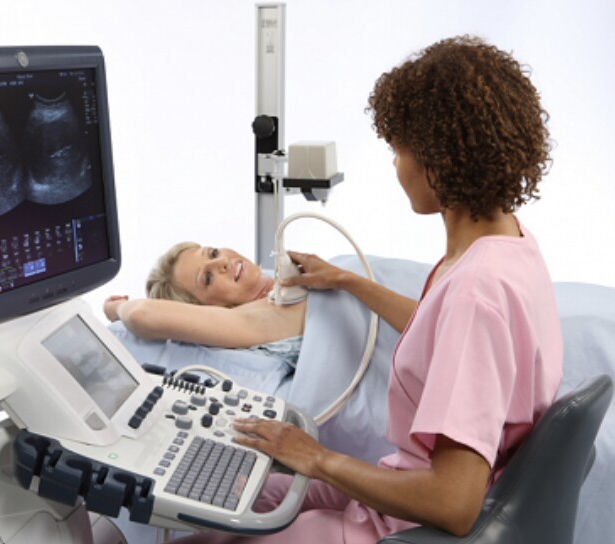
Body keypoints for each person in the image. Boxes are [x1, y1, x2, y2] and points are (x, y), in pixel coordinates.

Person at [167, 35, 564, 544]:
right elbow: (443, 329)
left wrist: (317, 458)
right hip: (401, 489)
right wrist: (347, 281)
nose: (395, 166)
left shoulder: (475, 292)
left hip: (408, 524)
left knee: (218, 530)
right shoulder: (510, 244)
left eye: (398, 150)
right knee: (235, 491)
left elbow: (453, 503)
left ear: (438, 160)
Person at [103, 242, 306, 359]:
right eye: (208, 278)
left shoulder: (296, 278)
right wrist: (116, 308)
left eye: (213, 253)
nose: (222, 261)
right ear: (205, 310)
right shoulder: (257, 318)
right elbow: (141, 314)